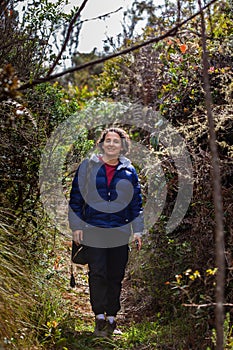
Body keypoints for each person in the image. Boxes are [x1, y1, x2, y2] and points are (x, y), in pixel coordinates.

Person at [68, 127, 144, 337]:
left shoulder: (129, 171)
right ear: (102, 144)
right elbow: (76, 198)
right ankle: (99, 317)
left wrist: (138, 231)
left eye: (116, 141)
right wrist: (76, 226)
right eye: (108, 140)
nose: (111, 144)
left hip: (119, 231)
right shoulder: (88, 166)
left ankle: (112, 318)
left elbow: (136, 204)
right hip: (94, 228)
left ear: (122, 146)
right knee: (98, 273)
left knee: (115, 275)